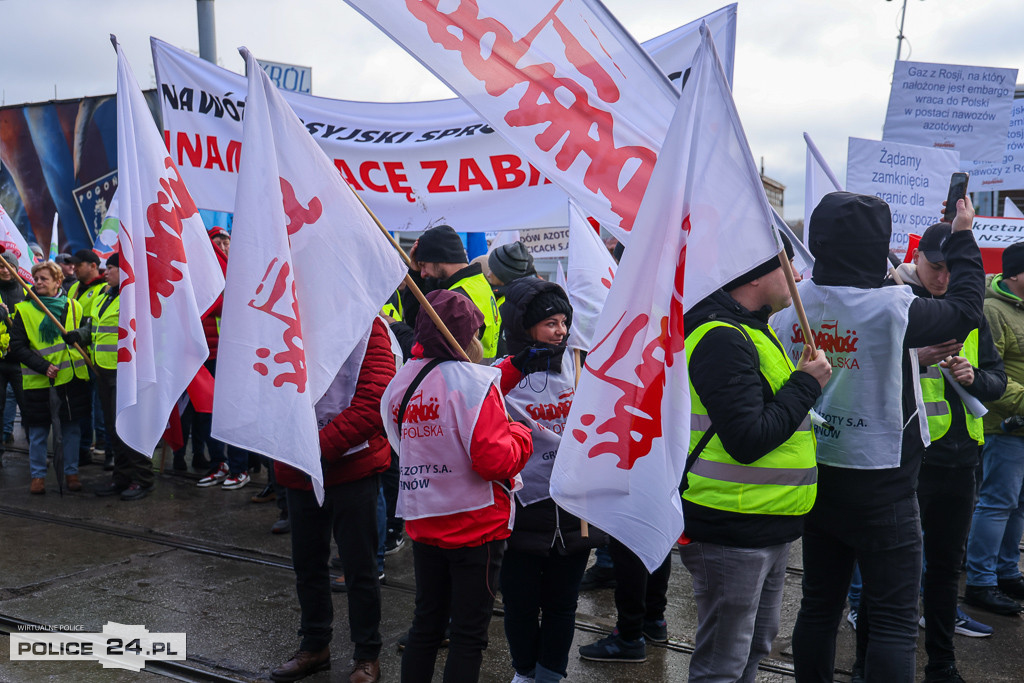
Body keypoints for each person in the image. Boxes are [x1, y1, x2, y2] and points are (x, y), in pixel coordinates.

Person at [778, 193, 984, 683]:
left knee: (820, 607)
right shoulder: (895, 308)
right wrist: (962, 234)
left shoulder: (792, 303)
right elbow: (966, 306)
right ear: (878, 245)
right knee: (892, 623)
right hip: (884, 483)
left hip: (818, 473)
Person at [677, 235, 830, 683]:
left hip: (764, 522)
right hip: (731, 526)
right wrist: (805, 385)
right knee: (722, 664)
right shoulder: (721, 338)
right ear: (758, 274)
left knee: (754, 647)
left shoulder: (751, 329)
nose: (799, 277)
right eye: (789, 267)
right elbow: (748, 439)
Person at [381, 289, 532, 683]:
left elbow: (402, 443)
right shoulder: (472, 384)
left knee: (426, 624)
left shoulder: (401, 382)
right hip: (476, 528)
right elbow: (495, 461)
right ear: (467, 334)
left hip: (425, 521)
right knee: (468, 635)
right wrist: (521, 434)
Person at [874, 222, 1003, 681]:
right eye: (934, 267)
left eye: (951, 269)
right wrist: (918, 356)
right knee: (894, 573)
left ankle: (942, 663)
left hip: (961, 461)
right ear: (918, 258)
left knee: (946, 570)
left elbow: (997, 379)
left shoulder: (972, 315)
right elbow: (866, 371)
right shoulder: (894, 301)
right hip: (912, 461)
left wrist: (975, 378)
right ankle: (879, 660)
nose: (943, 278)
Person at [270, 316, 396, 683]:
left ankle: (367, 653)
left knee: (360, 568)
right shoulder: (282, 318)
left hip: (351, 465)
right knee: (307, 563)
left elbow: (375, 400)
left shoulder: (368, 325)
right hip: (299, 466)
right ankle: (314, 645)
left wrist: (314, 448)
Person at [494, 278, 605, 683]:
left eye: (563, 322)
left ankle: (549, 674)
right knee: (521, 603)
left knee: (562, 603)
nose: (560, 331)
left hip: (575, 508)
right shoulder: (497, 375)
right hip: (523, 511)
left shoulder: (581, 365)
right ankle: (524, 671)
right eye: (549, 323)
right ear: (524, 326)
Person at [964, 240, 1024, 619]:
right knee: (997, 503)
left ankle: (1006, 572)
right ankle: (980, 581)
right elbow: (990, 373)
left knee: (1017, 505)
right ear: (1017, 274)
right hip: (1004, 425)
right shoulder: (993, 309)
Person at [72, 253, 157, 502]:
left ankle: (143, 479)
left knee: (130, 428)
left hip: (127, 373)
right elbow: (94, 327)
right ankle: (121, 477)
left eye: (111, 268)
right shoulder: (104, 296)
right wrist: (79, 335)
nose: (105, 272)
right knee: (114, 429)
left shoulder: (135, 298)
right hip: (104, 371)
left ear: (125, 271)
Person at [8, 261, 91, 494]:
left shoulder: (74, 307)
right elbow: (18, 346)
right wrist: (43, 366)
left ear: (58, 281)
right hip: (39, 380)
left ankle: (71, 473)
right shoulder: (25, 310)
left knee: (72, 429)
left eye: (44, 279)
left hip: (71, 379)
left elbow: (87, 335)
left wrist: (82, 335)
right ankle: (38, 477)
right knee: (38, 431)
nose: (38, 283)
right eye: (37, 279)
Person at [403, 225, 501, 359]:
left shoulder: (456, 299)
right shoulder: (478, 282)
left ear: (440, 257)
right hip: (479, 372)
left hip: (460, 375)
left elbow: (425, 342)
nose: (423, 273)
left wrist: (395, 327)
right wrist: (414, 272)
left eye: (423, 265)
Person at [67, 249, 106, 468]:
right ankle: (84, 448)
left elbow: (93, 323)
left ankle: (100, 440)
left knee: (99, 404)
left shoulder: (103, 289)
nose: (74, 268)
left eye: (78, 265)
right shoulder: (73, 287)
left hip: (95, 356)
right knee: (83, 406)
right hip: (75, 356)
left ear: (92, 265)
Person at [487, 241, 537, 357]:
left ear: (503, 274)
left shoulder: (512, 304)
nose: (488, 274)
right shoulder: (508, 297)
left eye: (492, 270)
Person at [0, 252, 25, 466]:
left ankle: (36, 455)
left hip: (21, 361)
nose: (5, 270)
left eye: (9, 266)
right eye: (1, 266)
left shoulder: (27, 292)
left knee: (29, 409)